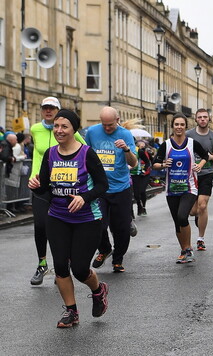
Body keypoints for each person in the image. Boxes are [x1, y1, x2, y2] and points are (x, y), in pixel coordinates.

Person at [27, 109, 109, 328]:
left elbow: (103, 185)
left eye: (64, 126)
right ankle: (71, 312)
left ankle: (98, 290)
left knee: (80, 269)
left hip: (87, 218)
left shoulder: (86, 153)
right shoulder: (50, 154)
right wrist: (36, 186)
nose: (59, 130)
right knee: (61, 266)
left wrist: (84, 197)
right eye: (56, 126)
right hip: (58, 217)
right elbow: (45, 187)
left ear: (74, 129)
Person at [29, 97, 87, 285]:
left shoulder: (68, 131)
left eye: (52, 108)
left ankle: (62, 265)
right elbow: (37, 155)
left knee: (63, 224)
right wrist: (34, 176)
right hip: (41, 184)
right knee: (40, 225)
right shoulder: (35, 129)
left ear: (58, 111)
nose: (48, 111)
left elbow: (84, 150)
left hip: (63, 185)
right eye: (45, 108)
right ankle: (42, 264)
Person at [87, 106, 137, 273]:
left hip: (121, 188)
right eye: (104, 124)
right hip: (99, 188)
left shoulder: (125, 134)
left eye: (110, 125)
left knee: (121, 228)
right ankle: (105, 249)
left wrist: (126, 149)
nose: (107, 128)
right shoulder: (92, 132)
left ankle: (118, 259)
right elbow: (84, 155)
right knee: (97, 225)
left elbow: (133, 163)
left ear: (118, 120)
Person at [153, 113, 208, 264]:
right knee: (177, 221)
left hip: (189, 188)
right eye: (176, 124)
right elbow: (155, 164)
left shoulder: (192, 143)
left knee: (183, 216)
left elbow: (205, 156)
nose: (179, 127)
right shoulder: (166, 144)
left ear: (185, 126)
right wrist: (164, 164)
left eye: (182, 125)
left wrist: (200, 165)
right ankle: (184, 250)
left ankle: (189, 248)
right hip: (172, 189)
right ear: (172, 127)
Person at [186, 108, 213, 251]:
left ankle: (200, 239)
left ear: (209, 119)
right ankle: (197, 216)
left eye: (205, 117)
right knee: (192, 211)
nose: (202, 119)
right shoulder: (188, 135)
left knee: (202, 206)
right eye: (199, 117)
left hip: (207, 172)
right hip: (190, 175)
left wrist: (209, 156)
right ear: (196, 119)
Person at [130, 140, 152, 217]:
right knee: (128, 194)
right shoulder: (120, 149)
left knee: (138, 193)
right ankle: (131, 213)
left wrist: (144, 170)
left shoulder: (138, 151)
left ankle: (141, 206)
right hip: (125, 175)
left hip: (137, 175)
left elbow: (148, 162)